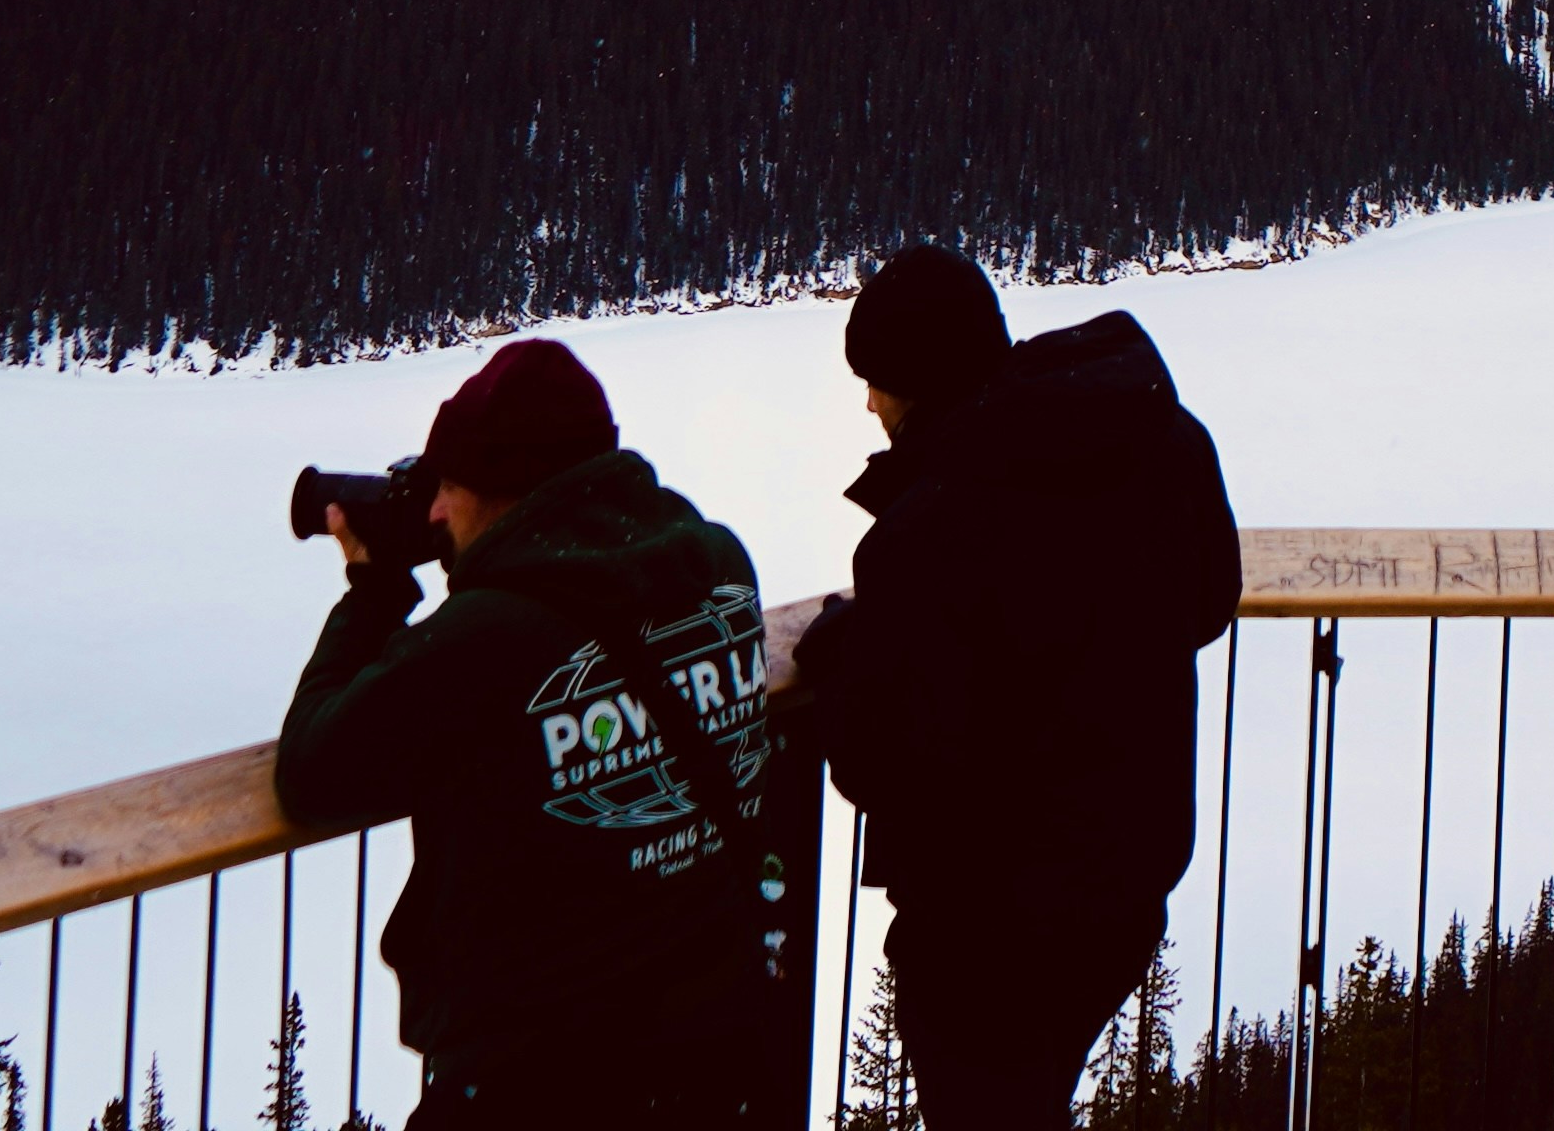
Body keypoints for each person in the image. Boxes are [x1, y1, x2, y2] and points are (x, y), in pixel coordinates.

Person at [276, 335, 794, 1130]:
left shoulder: (489, 637)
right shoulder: (719, 566)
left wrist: (374, 590)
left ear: (514, 491)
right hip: (713, 1048)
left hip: (536, 1076)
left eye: (451, 487)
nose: (438, 512)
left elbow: (312, 770)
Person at [787, 244, 1243, 1128]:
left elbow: (882, 757)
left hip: (988, 929)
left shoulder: (937, 524)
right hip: (1121, 887)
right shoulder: (1153, 439)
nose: (869, 403)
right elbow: (1207, 600)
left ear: (919, 381)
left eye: (878, 381)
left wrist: (847, 657)